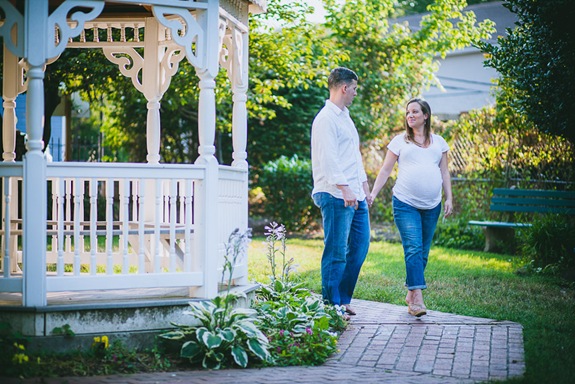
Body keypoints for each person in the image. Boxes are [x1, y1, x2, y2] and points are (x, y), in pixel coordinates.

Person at [370, 98, 453, 317]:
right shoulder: (399, 141)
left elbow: (444, 172)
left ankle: (410, 289)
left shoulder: (439, 142)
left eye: (415, 111)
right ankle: (417, 299)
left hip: (432, 205)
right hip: (405, 203)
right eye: (408, 112)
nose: (410, 115)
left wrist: (449, 198)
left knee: (423, 253)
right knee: (414, 248)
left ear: (426, 115)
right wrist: (373, 193)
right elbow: (386, 170)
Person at [311, 67, 372, 319]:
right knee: (336, 251)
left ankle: (342, 298)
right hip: (335, 194)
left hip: (355, 192)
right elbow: (329, 159)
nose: (356, 94)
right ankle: (331, 303)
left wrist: (363, 185)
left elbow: (352, 156)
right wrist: (345, 187)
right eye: (355, 89)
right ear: (344, 88)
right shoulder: (325, 118)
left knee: (359, 246)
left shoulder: (345, 116)